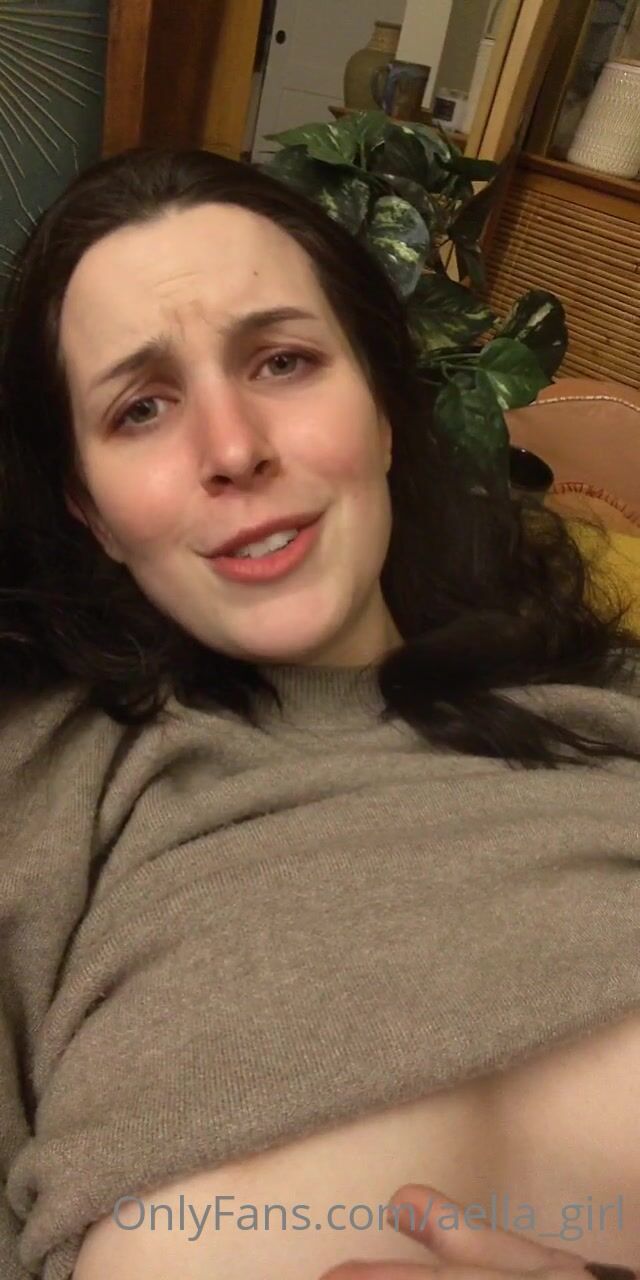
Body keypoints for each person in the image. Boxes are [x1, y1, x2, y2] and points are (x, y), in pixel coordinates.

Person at [0, 147, 638, 1280]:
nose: (234, 449)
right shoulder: (42, 788)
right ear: (90, 510)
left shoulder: (608, 712)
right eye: (141, 408)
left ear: (384, 412)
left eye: (283, 361)